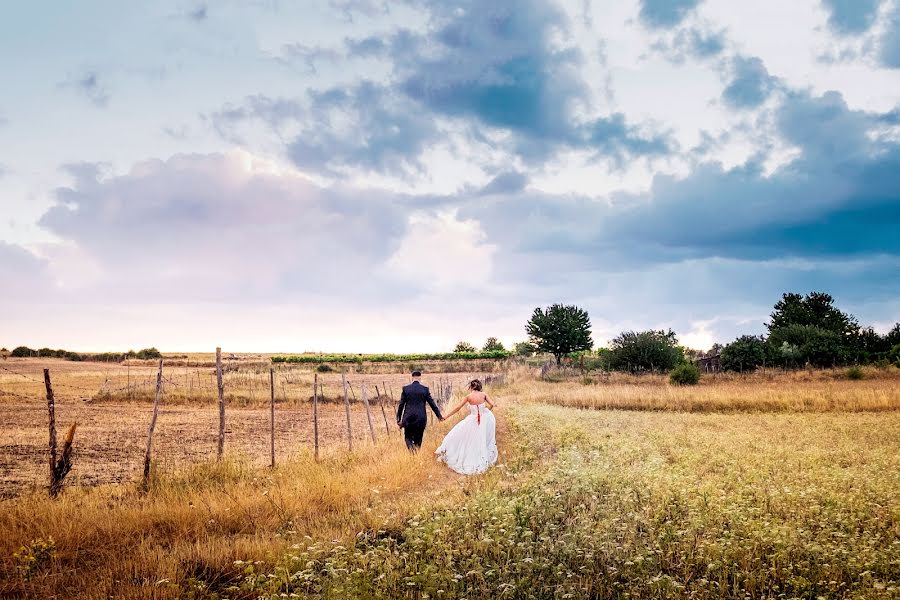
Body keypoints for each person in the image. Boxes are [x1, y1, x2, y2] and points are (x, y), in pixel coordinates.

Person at [435, 379, 498, 475]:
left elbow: (457, 408)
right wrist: (485, 412)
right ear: (479, 387)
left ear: (471, 387)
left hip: (472, 421)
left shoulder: (469, 397)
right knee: (479, 440)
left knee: (458, 436)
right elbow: (493, 404)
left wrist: (446, 417)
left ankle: (460, 455)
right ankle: (480, 458)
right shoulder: (484, 395)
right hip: (482, 421)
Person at [397, 370, 444, 451]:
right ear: (420, 377)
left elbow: (401, 405)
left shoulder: (406, 389)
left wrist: (398, 419)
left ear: (412, 377)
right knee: (418, 439)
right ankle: (416, 454)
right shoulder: (425, 389)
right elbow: (432, 404)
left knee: (408, 437)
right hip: (421, 418)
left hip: (408, 418)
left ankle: (412, 452)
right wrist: (439, 416)